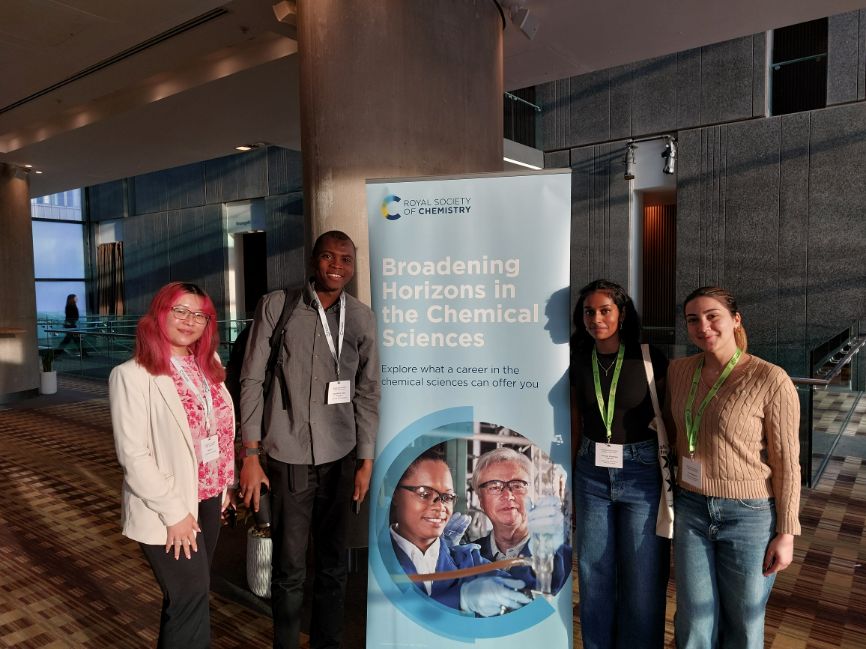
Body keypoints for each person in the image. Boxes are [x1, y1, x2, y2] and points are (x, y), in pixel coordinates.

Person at [239, 230, 380, 649]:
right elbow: (250, 379)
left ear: (353, 267)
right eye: (328, 256)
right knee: (290, 566)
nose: (337, 265)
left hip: (341, 455)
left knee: (336, 564)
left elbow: (369, 389)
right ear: (312, 260)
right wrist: (249, 453)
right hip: (289, 455)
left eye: (346, 259)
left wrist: (366, 459)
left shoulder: (361, 317)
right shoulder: (277, 305)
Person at [666, 287, 800, 649]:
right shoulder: (678, 371)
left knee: (744, 622)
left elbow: (787, 462)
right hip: (692, 508)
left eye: (713, 316)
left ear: (735, 320)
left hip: (750, 515)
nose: (703, 326)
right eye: (693, 320)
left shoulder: (770, 379)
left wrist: (786, 532)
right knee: (694, 620)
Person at [109, 282, 235, 648]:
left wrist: (224, 483)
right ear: (159, 313)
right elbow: (133, 454)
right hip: (170, 505)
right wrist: (174, 513)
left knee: (186, 597)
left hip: (209, 497)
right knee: (190, 595)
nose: (189, 320)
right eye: (179, 310)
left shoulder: (208, 365)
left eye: (199, 314)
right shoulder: (132, 375)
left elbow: (221, 428)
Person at [571, 279, 670, 649]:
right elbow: (576, 419)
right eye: (589, 312)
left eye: (605, 310)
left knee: (642, 579)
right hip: (590, 473)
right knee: (594, 575)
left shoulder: (648, 357)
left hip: (641, 472)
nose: (596, 318)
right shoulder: (578, 360)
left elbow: (671, 418)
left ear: (622, 313)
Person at [390, 450, 531, 616]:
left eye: (447, 497)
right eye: (425, 493)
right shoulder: (373, 559)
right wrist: (460, 598)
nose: (439, 506)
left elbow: (525, 592)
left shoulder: (467, 560)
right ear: (395, 494)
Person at [469, 447, 571, 594]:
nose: (508, 495)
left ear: (532, 495)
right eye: (494, 487)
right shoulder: (466, 557)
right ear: (481, 501)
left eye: (517, 485)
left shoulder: (562, 556)